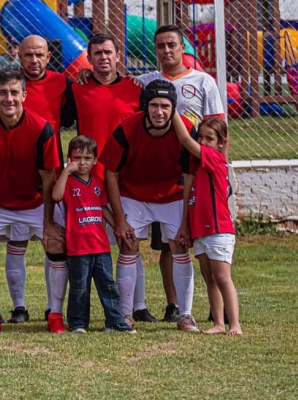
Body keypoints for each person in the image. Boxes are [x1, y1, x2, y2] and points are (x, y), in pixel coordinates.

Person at [138, 24, 227, 324]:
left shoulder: (204, 82)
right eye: (160, 45)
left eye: (171, 45)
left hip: (198, 174)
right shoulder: (146, 82)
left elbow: (219, 131)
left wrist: (222, 174)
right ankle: (173, 305)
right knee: (168, 243)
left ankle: (219, 307)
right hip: (162, 174)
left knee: (206, 243)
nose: (166, 50)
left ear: (182, 47)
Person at [67, 34, 158, 325]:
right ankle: (73, 310)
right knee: (90, 246)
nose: (103, 58)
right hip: (89, 180)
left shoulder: (136, 89)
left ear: (118, 55)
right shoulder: (77, 89)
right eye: (97, 53)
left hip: (126, 178)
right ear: (89, 59)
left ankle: (137, 306)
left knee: (129, 241)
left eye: (108, 52)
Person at [0, 69, 61, 334]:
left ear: (24, 95)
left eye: (14, 92)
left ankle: (55, 314)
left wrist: (49, 223)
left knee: (56, 242)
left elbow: (48, 180)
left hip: (36, 203)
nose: (9, 98)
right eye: (3, 93)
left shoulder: (42, 128)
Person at [100, 80, 200, 333]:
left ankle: (186, 315)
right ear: (145, 107)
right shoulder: (127, 128)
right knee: (128, 244)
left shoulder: (186, 131)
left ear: (173, 108)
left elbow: (189, 177)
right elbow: (110, 172)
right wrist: (119, 219)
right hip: (133, 194)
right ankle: (124, 314)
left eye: (165, 106)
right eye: (154, 105)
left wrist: (186, 221)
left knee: (180, 245)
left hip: (173, 196)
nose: (159, 112)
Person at [5, 35, 75, 325]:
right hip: (14, 175)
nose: (33, 61)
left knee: (53, 241)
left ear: (49, 57)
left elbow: (72, 119)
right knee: (16, 242)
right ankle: (19, 307)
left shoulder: (63, 84)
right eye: (28, 55)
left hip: (52, 174)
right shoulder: (6, 84)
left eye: (39, 55)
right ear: (18, 56)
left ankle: (53, 307)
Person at [52, 136, 134, 334]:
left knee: (108, 285)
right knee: (80, 288)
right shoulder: (68, 182)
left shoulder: (98, 182)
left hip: (101, 246)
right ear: (69, 159)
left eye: (87, 158)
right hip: (78, 247)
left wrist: (118, 226)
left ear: (95, 160)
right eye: (77, 158)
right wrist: (65, 172)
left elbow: (103, 208)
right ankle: (78, 322)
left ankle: (114, 321)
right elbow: (55, 196)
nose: (82, 163)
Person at [172, 114, 242, 335]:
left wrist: (173, 108)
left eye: (209, 138)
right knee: (209, 277)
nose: (202, 142)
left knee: (222, 277)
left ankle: (235, 325)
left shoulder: (215, 159)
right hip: (202, 231)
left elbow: (185, 139)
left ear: (221, 142)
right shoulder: (199, 167)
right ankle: (219, 323)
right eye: (200, 137)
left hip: (218, 230)